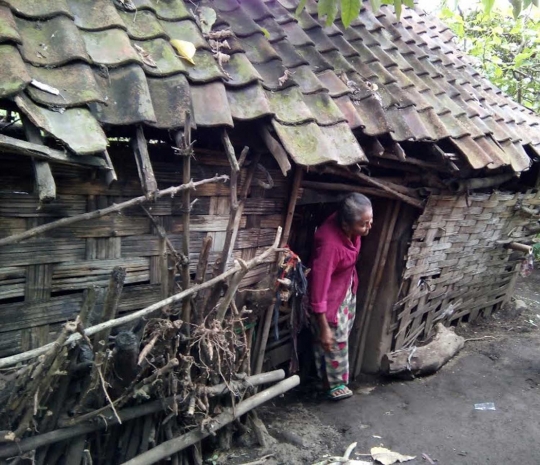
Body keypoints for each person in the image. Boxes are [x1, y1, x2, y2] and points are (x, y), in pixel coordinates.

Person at [309, 193, 373, 401]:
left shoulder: (350, 230)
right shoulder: (330, 246)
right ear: (345, 225)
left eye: (370, 221)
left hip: (345, 289)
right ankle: (332, 384)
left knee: (340, 338)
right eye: (364, 224)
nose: (369, 227)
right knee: (331, 340)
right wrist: (323, 323)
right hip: (329, 300)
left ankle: (327, 380)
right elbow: (319, 286)